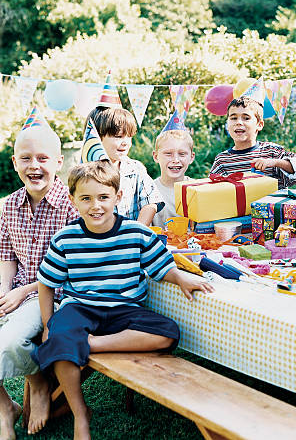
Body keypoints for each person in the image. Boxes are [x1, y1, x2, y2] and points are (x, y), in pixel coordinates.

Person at [33, 160, 214, 440]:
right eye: (86, 199)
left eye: (104, 197)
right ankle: (80, 414)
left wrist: (180, 278)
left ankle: (91, 344)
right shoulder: (65, 238)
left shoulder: (136, 232)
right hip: (80, 307)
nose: (96, 205)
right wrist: (48, 324)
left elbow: (161, 266)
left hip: (125, 308)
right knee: (58, 336)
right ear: (73, 201)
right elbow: (46, 285)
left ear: (118, 197)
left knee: (167, 332)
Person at [0, 118, 79, 438]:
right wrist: (4, 289)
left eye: (43, 158)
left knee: (9, 343)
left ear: (59, 162)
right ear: (14, 162)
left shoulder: (73, 206)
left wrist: (22, 293)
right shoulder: (9, 207)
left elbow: (73, 267)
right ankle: (5, 408)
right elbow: (7, 256)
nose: (34, 166)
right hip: (16, 289)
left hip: (50, 294)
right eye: (26, 158)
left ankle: (38, 382)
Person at [210, 97, 296, 189]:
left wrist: (275, 162)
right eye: (233, 118)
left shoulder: (271, 151)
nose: (238, 122)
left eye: (246, 118)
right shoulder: (222, 160)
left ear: (259, 125)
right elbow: (213, 190)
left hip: (270, 205)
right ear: (227, 124)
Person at [93, 107, 164, 225]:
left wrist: (136, 231)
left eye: (129, 136)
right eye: (118, 136)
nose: (125, 142)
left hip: (133, 237)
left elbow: (151, 202)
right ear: (99, 137)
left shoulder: (135, 168)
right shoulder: (89, 171)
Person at [152, 127, 195, 227]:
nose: (176, 160)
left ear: (191, 157)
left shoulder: (197, 189)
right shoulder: (149, 190)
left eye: (182, 154)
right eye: (168, 154)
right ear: (156, 156)